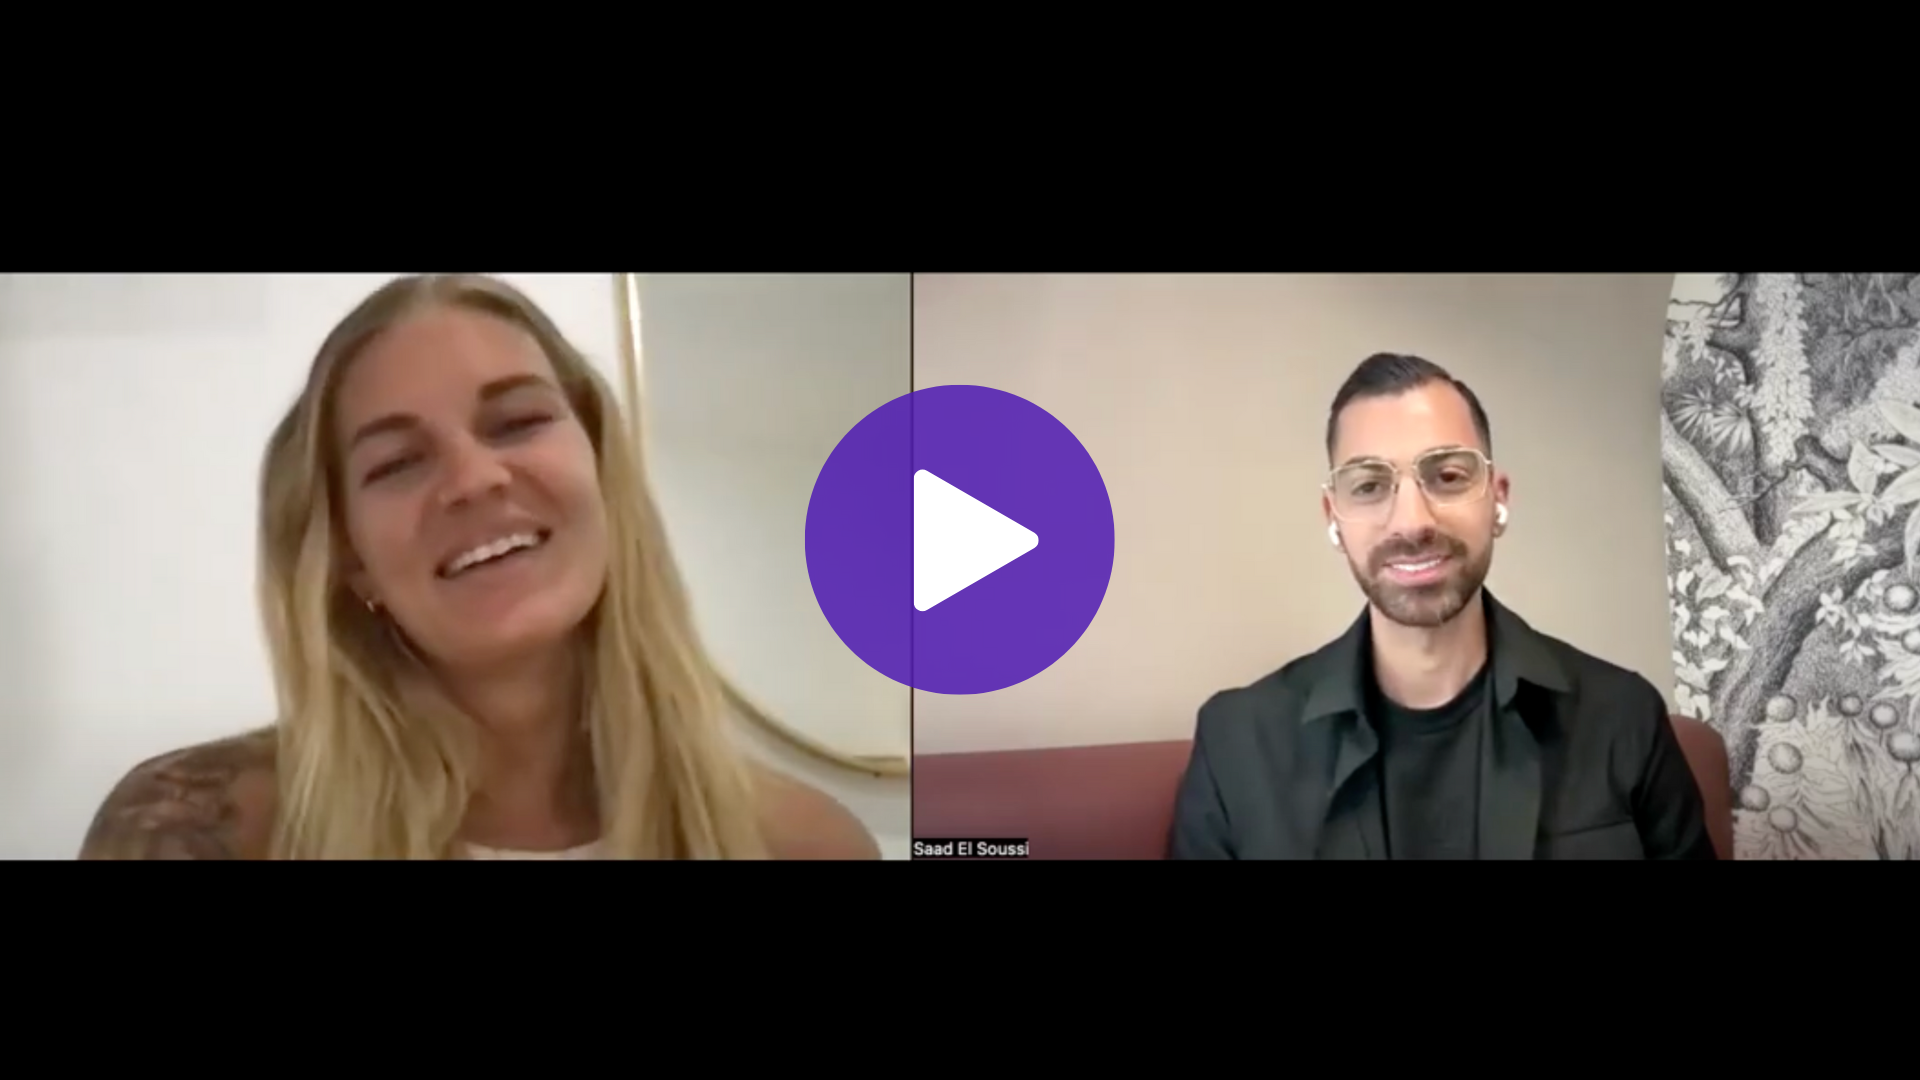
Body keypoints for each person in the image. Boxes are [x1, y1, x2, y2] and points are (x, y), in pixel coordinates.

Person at [78, 273, 879, 860]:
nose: (475, 478)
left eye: (518, 421)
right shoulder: (202, 827)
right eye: (397, 463)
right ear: (351, 559)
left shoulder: (805, 844)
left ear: (601, 471)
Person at [1168, 352, 1716, 860]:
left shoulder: (1622, 718)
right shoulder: (1237, 743)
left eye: (1448, 476)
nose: (1412, 522)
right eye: (1369, 486)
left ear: (1497, 498)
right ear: (1333, 517)